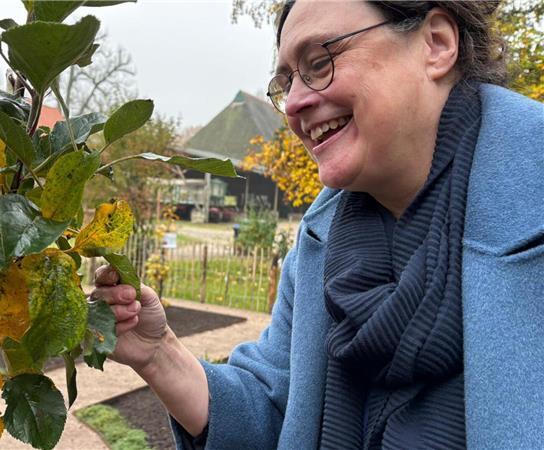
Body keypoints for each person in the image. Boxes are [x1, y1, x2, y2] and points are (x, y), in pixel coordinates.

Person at [91, 0, 544, 448]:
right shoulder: (321, 243)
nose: (295, 105)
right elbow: (279, 416)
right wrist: (159, 354)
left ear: (436, 44)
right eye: (286, 82)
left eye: (320, 62)